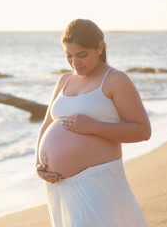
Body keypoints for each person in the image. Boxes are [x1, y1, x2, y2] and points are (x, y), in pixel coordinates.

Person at [35, 19, 151, 227]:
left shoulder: (116, 80)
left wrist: (94, 126)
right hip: (59, 186)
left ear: (99, 48)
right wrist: (39, 164)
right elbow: (46, 125)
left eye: (82, 55)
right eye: (68, 56)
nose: (74, 63)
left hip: (95, 182)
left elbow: (142, 130)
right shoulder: (64, 80)